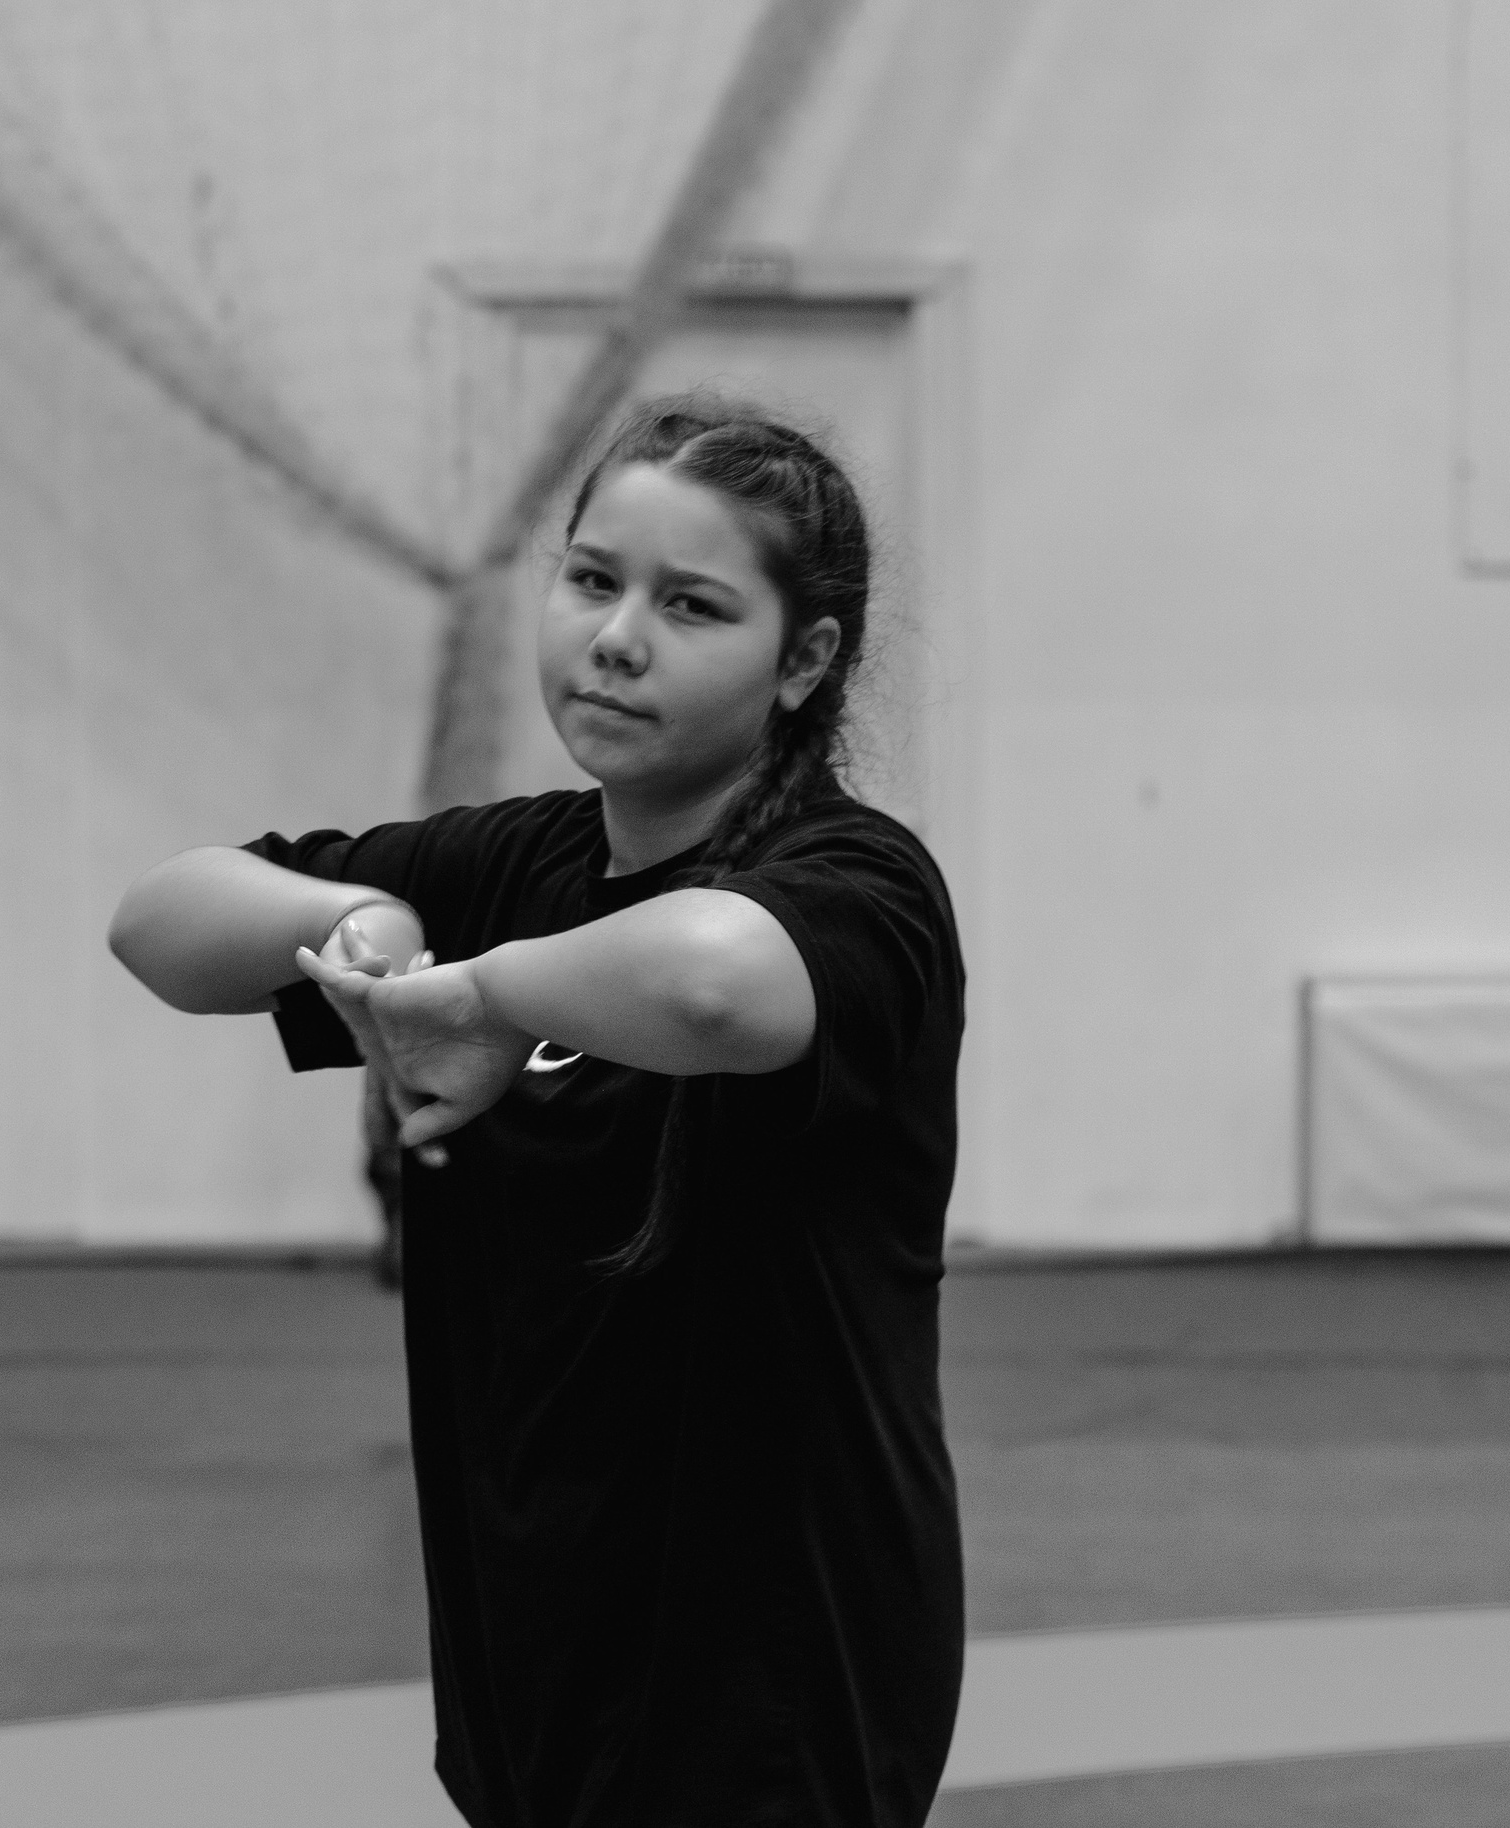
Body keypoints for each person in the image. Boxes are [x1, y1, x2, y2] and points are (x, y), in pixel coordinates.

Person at [108, 396, 966, 1828]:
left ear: (805, 660)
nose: (618, 638)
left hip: (773, 1678)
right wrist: (361, 918)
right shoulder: (509, 864)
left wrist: (489, 996)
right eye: (592, 580)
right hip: (534, 1646)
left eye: (692, 606)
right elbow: (160, 922)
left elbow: (712, 980)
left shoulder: (862, 885)